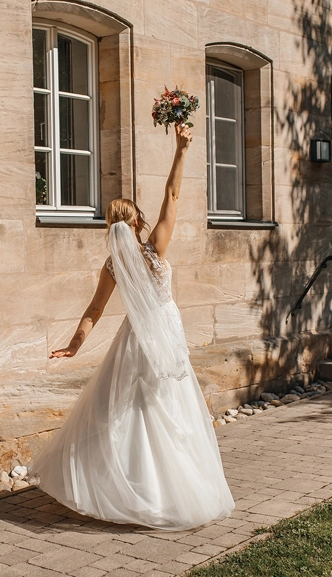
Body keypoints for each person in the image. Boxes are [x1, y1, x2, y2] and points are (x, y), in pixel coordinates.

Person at [32, 124, 235, 530]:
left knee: (126, 410)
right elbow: (173, 195)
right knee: (165, 408)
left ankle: (125, 486)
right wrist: (181, 149)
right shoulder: (156, 247)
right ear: (138, 220)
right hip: (165, 332)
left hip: (134, 338)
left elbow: (94, 310)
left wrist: (74, 346)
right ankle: (168, 493)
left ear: (111, 227)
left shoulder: (112, 265)